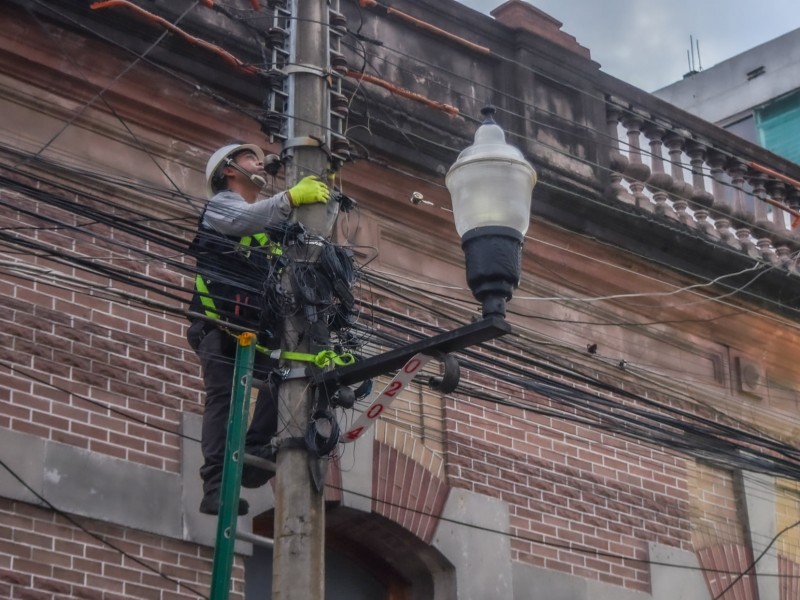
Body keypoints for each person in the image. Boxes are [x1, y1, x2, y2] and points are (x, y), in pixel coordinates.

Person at [187, 143, 330, 515]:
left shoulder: (269, 223)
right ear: (229, 170)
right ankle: (215, 486)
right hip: (218, 323)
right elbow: (243, 221)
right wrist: (291, 195)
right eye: (250, 157)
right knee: (223, 397)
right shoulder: (222, 205)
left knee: (282, 379)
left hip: (256, 328)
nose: (258, 162)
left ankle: (252, 450)